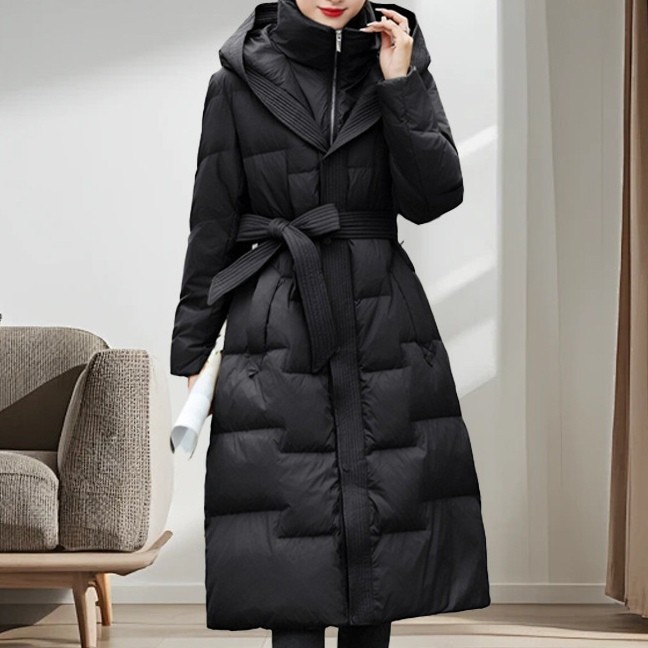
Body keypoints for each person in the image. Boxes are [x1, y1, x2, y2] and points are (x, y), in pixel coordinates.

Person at [169, 1, 491, 647]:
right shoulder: (237, 80)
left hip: (382, 319)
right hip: (277, 325)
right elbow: (213, 222)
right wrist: (193, 350)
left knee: (382, 534)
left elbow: (434, 197)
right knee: (293, 540)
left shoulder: (399, 65)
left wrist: (400, 85)